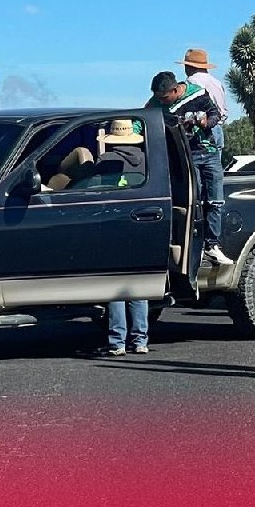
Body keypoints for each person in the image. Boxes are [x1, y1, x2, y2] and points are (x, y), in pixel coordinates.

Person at [146, 71, 233, 266]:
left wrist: (205, 123)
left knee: (215, 200)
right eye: (159, 98)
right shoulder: (156, 103)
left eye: (165, 97)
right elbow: (144, 117)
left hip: (208, 151)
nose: (162, 102)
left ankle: (212, 245)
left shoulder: (198, 94)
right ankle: (197, 246)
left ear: (175, 90)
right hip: (185, 155)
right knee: (195, 200)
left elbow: (215, 114)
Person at [96, 121, 150, 356]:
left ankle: (117, 342)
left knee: (116, 289)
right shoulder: (146, 160)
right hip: (141, 225)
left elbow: (96, 192)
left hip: (113, 226)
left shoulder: (106, 161)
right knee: (137, 288)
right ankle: (140, 340)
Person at [178, 49, 228, 152]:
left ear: (189, 67)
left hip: (202, 130)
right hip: (218, 128)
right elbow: (222, 109)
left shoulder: (191, 83)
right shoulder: (216, 82)